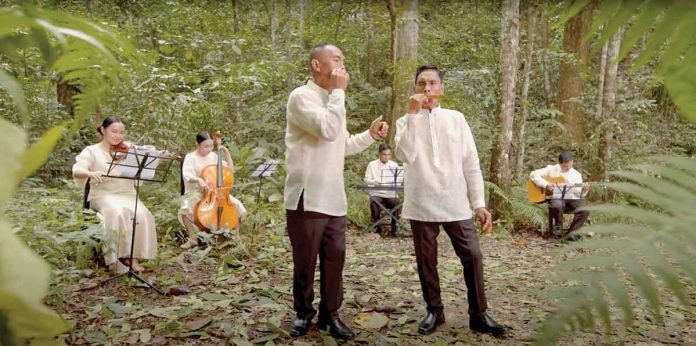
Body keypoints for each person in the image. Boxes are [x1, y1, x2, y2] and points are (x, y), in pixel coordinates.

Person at [284, 43, 388, 340]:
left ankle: (331, 314)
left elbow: (342, 144)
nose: (343, 65)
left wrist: (370, 135)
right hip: (307, 196)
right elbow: (328, 129)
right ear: (317, 65)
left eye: (343, 59)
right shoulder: (301, 97)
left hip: (334, 198)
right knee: (305, 261)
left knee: (335, 259)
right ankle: (303, 313)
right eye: (336, 59)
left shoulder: (334, 101)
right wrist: (339, 93)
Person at [394, 65, 507, 337]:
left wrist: (478, 202)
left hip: (455, 201)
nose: (427, 88)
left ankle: (478, 313)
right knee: (426, 260)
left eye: (433, 83)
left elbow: (471, 163)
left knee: (473, 255)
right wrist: (412, 113)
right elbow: (405, 155)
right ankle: (435, 311)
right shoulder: (404, 121)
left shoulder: (456, 118)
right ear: (415, 89)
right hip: (421, 201)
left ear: (442, 88)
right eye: (421, 83)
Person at [72, 117, 157, 274]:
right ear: (103, 130)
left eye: (122, 132)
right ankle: (115, 260)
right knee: (116, 212)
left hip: (128, 194)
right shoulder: (91, 151)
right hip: (103, 195)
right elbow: (77, 169)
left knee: (143, 213)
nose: (118, 136)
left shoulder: (128, 149)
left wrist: (160, 154)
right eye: (114, 131)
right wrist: (89, 172)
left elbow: (148, 152)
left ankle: (132, 257)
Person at [178, 131, 247, 249]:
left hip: (215, 192)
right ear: (197, 144)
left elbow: (230, 170)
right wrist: (199, 180)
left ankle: (236, 236)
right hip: (196, 191)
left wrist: (226, 154)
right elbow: (187, 175)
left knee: (236, 205)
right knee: (185, 208)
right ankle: (192, 238)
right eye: (205, 146)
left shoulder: (214, 156)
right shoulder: (190, 158)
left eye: (211, 146)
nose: (209, 149)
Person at [529, 151, 590, 240]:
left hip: (571, 198)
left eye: (569, 165)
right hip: (556, 196)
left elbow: (579, 194)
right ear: (559, 164)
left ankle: (572, 233)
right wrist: (545, 184)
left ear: (572, 162)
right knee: (557, 205)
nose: (567, 168)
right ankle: (558, 227)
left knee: (585, 209)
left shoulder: (576, 175)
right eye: (564, 166)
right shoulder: (551, 169)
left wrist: (584, 189)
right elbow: (533, 175)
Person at [364, 143, 401, 235]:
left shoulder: (394, 165)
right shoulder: (372, 164)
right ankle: (377, 226)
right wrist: (375, 182)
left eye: (388, 155)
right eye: (384, 155)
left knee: (397, 202)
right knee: (374, 202)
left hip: (390, 194)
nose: (386, 157)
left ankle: (394, 226)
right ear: (379, 154)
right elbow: (366, 179)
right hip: (377, 193)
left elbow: (398, 181)